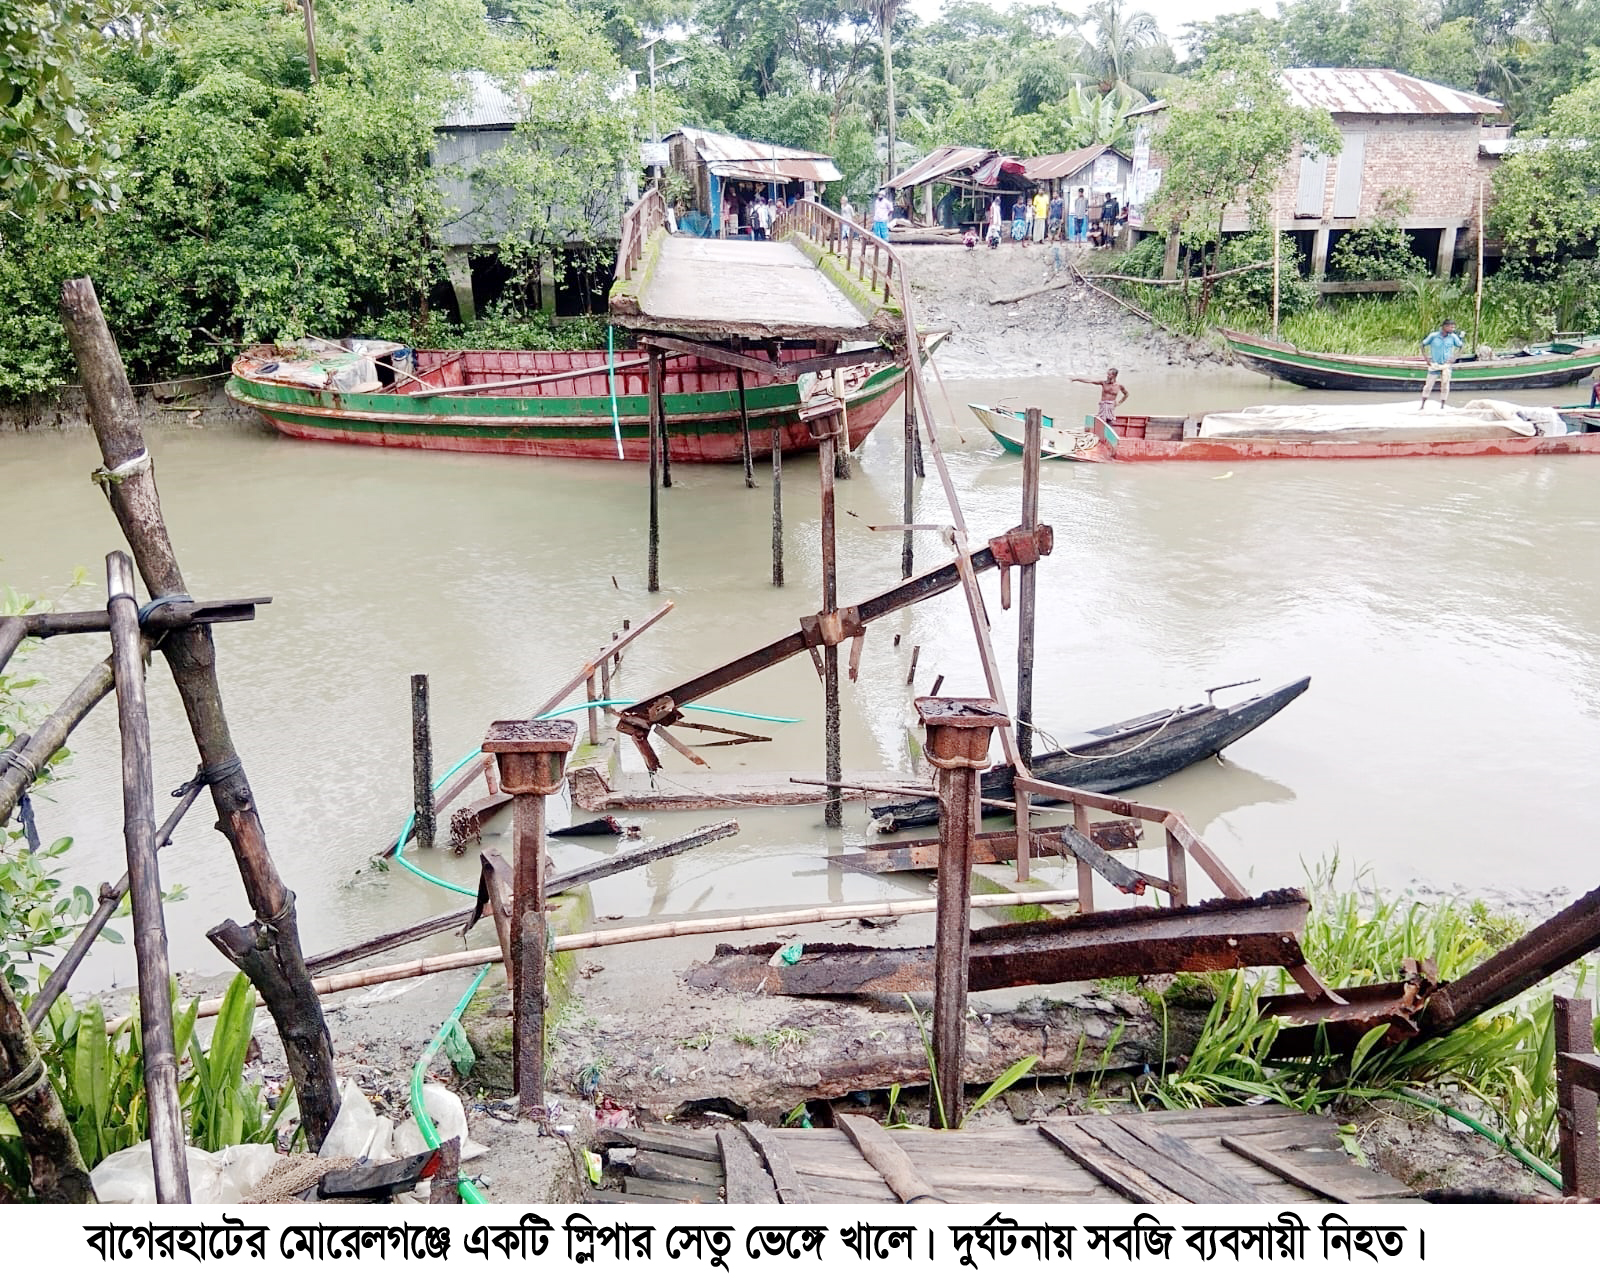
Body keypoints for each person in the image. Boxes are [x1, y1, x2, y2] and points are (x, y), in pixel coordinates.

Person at [1419, 319, 1465, 407]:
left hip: (1446, 365)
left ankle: (1442, 405)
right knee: (1428, 385)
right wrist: (1426, 358)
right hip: (1435, 364)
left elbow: (1461, 346)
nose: (1453, 329)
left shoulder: (1453, 337)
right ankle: (1422, 405)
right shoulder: (1434, 336)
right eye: (1451, 327)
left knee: (1445, 386)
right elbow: (1422, 344)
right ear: (1445, 327)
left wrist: (1455, 357)